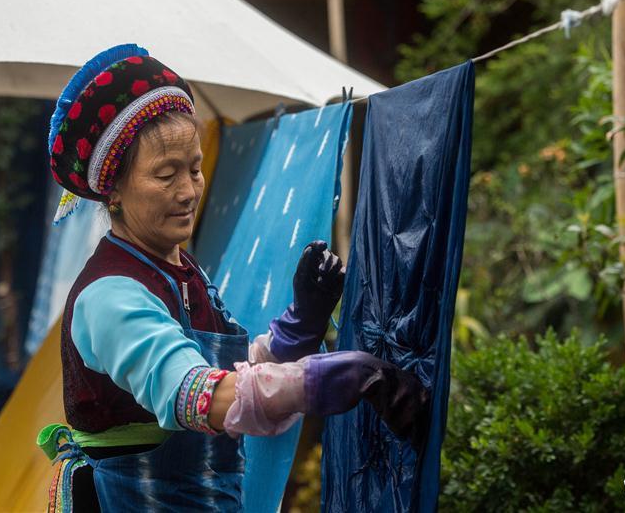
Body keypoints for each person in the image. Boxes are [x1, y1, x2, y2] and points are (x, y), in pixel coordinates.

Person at [38, 45, 429, 512]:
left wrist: (299, 325)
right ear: (113, 192)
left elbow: (230, 374)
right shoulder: (110, 295)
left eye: (195, 169)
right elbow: (196, 394)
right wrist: (334, 378)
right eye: (166, 175)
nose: (189, 191)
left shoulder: (180, 270)